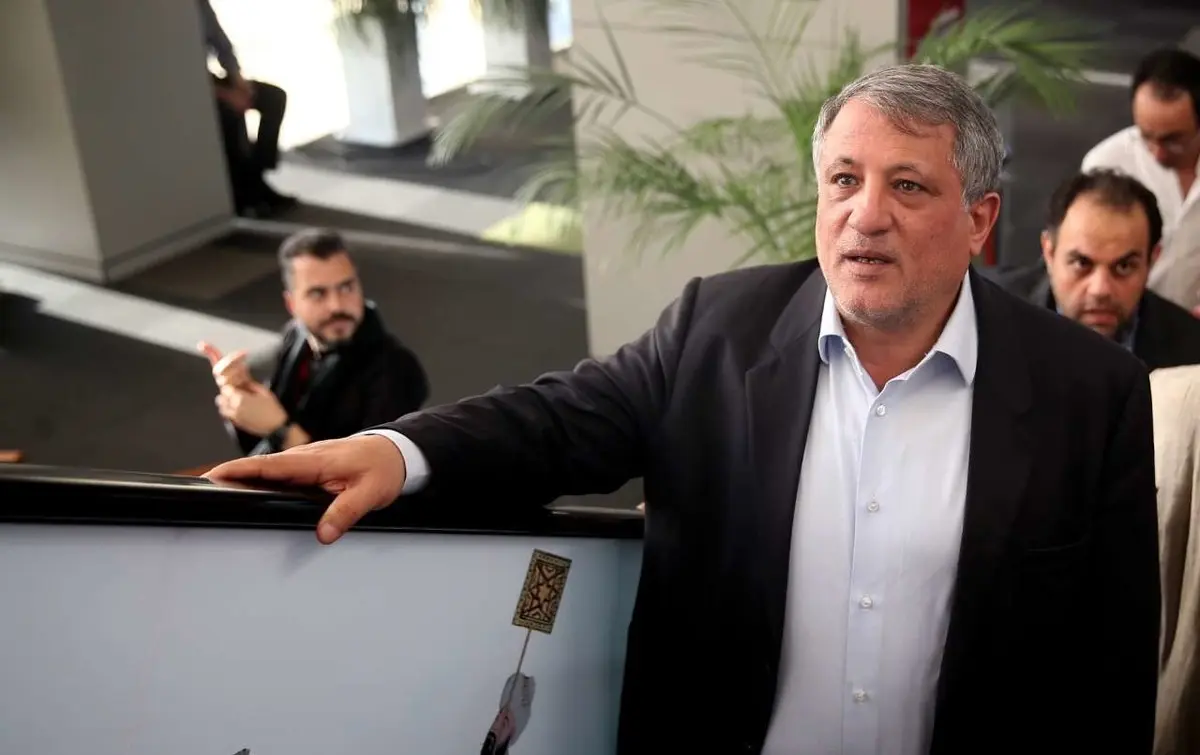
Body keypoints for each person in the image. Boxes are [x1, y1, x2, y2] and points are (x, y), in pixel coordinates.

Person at [209, 65, 1160, 754]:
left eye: (907, 186)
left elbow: (1112, 671)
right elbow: (558, 419)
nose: (865, 214)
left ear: (980, 220)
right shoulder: (720, 329)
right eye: (843, 179)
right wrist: (394, 452)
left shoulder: (1091, 393)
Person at [200, 229, 428, 457]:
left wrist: (281, 430)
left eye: (346, 287)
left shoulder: (395, 369)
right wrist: (243, 398)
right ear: (292, 304)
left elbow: (369, 470)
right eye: (318, 294)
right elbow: (262, 442)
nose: (337, 306)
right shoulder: (296, 336)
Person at [992, 169, 1200, 369]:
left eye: (1124, 266)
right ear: (1049, 253)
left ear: (1152, 260)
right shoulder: (990, 317)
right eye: (1081, 264)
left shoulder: (1192, 350)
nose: (1100, 290)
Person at [1082, 48, 1200, 311]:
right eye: (1146, 136)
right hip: (1126, 321)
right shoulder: (1107, 164)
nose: (1157, 153)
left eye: (1173, 140)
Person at [198, 0, 296, 217]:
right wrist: (226, 95)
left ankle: (257, 176)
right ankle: (243, 193)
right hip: (193, 89)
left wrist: (238, 81)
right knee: (229, 114)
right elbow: (184, 71)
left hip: (214, 81)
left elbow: (221, 44)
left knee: (273, 98)